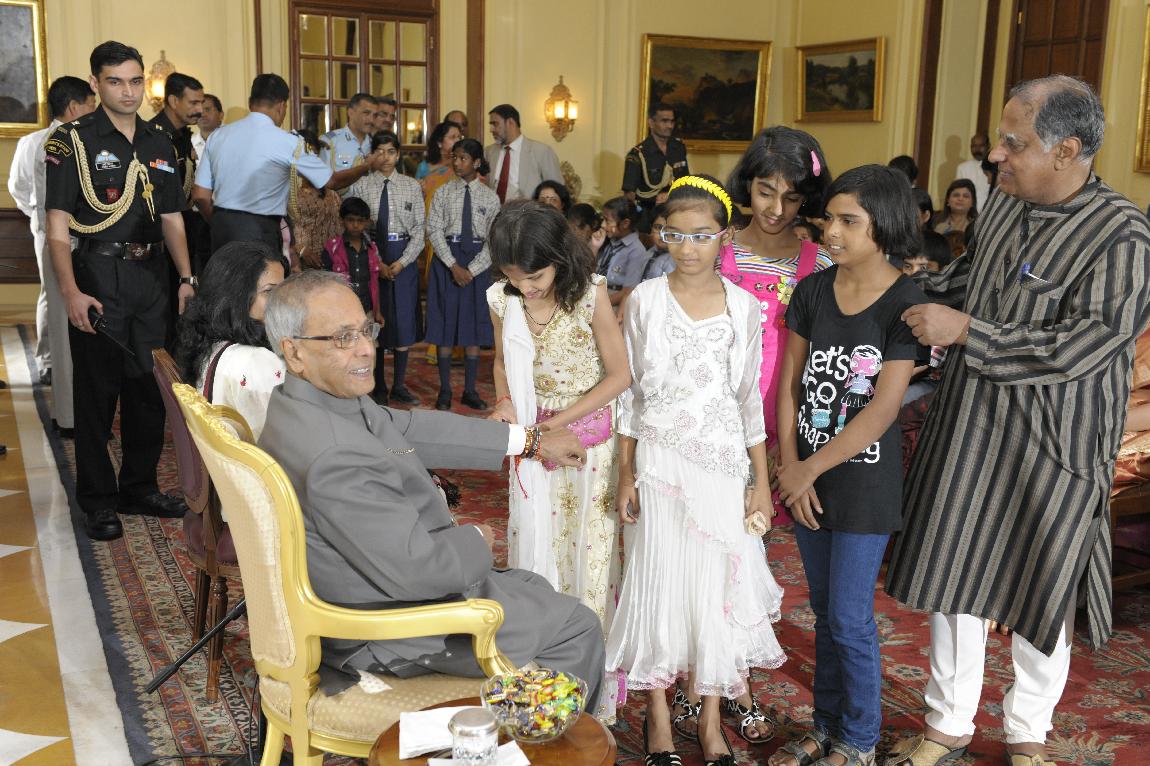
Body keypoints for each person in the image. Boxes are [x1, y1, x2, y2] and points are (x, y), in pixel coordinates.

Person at [884, 75, 1150, 766]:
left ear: (1066, 150)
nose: (996, 155)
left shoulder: (1122, 233)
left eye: (1014, 142)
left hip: (1060, 438)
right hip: (972, 420)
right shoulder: (1004, 201)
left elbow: (1091, 342)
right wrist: (891, 286)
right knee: (953, 566)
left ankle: (1028, 731)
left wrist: (967, 331)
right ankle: (948, 723)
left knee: (1045, 581)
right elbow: (970, 278)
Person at [257, 269, 606, 704]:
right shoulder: (334, 454)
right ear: (293, 351)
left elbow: (405, 427)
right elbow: (419, 572)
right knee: (577, 626)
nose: (366, 348)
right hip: (389, 626)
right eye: (343, 338)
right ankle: (529, 736)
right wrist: (477, 538)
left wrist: (528, 441)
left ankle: (520, 720)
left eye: (366, 329)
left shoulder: (302, 403)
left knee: (534, 587)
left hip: (378, 585)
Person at [606, 175, 784, 766]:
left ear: (724, 237)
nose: (688, 248)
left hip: (722, 465)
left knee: (715, 591)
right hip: (658, 463)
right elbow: (629, 396)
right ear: (661, 235)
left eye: (702, 235)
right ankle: (659, 715)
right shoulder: (644, 300)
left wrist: (759, 485)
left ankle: (709, 720)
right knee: (660, 583)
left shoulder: (745, 307)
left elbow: (747, 401)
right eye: (676, 235)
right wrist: (624, 473)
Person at [771, 165, 928, 766]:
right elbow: (789, 384)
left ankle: (859, 738)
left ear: (883, 225)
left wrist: (806, 470)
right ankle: (825, 726)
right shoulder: (812, 290)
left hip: (863, 483)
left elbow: (884, 408)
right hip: (805, 477)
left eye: (848, 221)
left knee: (850, 617)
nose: (831, 232)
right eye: (829, 219)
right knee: (822, 611)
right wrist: (791, 465)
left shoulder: (905, 302)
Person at [44, 40, 197, 541]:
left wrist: (186, 278)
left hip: (152, 277)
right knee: (97, 392)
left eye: (135, 81)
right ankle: (97, 500)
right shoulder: (72, 141)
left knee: (148, 387)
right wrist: (70, 291)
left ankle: (138, 487)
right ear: (96, 84)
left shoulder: (158, 141)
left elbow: (171, 216)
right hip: (98, 274)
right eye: (115, 81)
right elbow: (58, 226)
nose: (128, 91)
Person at [486, 200, 631, 721]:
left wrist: (557, 421)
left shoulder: (589, 294)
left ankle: (592, 694)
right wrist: (506, 401)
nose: (526, 287)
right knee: (536, 555)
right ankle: (539, 677)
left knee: (588, 558)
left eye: (536, 276)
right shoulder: (500, 298)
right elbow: (501, 362)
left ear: (559, 258)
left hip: (587, 448)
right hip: (532, 443)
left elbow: (620, 375)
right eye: (514, 276)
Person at [723, 126, 833, 532]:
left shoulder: (821, 265)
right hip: (716, 416)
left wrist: (790, 448)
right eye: (765, 192)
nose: (776, 209)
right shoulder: (717, 253)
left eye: (792, 198)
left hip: (783, 421)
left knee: (762, 535)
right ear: (747, 184)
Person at [192, 74, 378, 254]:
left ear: (250, 103)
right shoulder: (289, 142)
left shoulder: (218, 136)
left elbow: (200, 196)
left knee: (226, 276)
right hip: (260, 229)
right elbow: (333, 182)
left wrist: (220, 222)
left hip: (221, 227)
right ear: (282, 106)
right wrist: (365, 167)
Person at [7, 75, 95, 425]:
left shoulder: (72, 139)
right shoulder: (58, 143)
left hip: (70, 240)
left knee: (76, 327)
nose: (94, 112)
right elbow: (46, 202)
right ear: (74, 107)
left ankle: (79, 411)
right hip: (63, 242)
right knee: (64, 325)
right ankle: (70, 416)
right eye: (90, 105)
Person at [176, 241, 287, 439]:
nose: (282, 302)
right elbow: (286, 440)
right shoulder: (256, 361)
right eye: (269, 291)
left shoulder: (210, 344)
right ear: (237, 296)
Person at [347, 130, 425, 404]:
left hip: (404, 255)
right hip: (372, 256)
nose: (385, 157)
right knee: (377, 321)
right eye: (379, 152)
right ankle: (378, 384)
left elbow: (419, 230)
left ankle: (399, 385)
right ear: (372, 155)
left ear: (398, 154)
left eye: (391, 152)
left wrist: (402, 262)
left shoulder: (411, 186)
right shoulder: (361, 186)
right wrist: (377, 261)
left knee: (403, 320)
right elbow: (358, 228)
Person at [426, 138, 500, 411]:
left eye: (463, 158)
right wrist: (453, 265)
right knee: (445, 324)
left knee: (473, 326)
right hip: (448, 262)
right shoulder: (443, 193)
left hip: (476, 264)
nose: (457, 163)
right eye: (454, 157)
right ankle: (445, 389)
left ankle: (470, 389)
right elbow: (434, 230)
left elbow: (493, 240)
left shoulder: (490, 198)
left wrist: (472, 269)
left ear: (477, 162)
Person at [622, 103, 690, 233]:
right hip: (647, 218)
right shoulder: (638, 154)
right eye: (664, 121)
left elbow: (685, 181)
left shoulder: (678, 148)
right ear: (651, 123)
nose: (670, 126)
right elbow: (629, 195)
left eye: (672, 121)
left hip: (674, 214)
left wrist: (671, 195)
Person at [484, 104, 563, 203]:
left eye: (495, 124)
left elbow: (557, 190)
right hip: (494, 211)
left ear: (510, 123)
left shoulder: (541, 151)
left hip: (529, 211)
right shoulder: (489, 152)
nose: (491, 129)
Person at [289, 129, 343, 271]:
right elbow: (282, 228)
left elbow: (339, 228)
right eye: (306, 155)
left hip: (330, 262)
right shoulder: (289, 191)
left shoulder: (331, 193)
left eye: (315, 154)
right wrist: (300, 249)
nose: (310, 161)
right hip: (298, 263)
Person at [596, 197, 646, 308]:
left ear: (625, 223)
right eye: (603, 219)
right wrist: (595, 247)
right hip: (595, 294)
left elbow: (627, 291)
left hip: (612, 302)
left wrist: (597, 305)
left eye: (607, 221)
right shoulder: (607, 240)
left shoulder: (636, 251)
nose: (603, 225)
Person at [320, 93, 377, 175]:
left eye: (374, 115)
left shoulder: (376, 144)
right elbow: (322, 178)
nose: (371, 120)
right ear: (351, 113)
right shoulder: (330, 141)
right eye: (366, 113)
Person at [954, 132, 991, 211]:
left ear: (988, 146)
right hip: (967, 213)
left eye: (981, 146)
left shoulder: (995, 167)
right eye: (974, 146)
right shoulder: (962, 168)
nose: (977, 149)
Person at [190, 93, 223, 161]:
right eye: (199, 111)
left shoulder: (233, 139)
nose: (203, 115)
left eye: (207, 109)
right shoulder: (190, 143)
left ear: (221, 115)